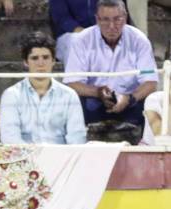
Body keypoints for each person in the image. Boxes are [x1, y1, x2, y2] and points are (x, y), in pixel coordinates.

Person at [64, 0, 158, 129]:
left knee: (147, 103)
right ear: (97, 19)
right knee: (81, 103)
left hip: (130, 99)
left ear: (125, 17)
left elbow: (150, 82)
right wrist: (97, 92)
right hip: (95, 99)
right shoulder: (82, 40)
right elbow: (73, 82)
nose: (112, 26)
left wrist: (129, 98)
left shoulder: (139, 39)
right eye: (105, 20)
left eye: (117, 19)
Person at [0, 31, 86, 144]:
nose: (41, 63)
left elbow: (77, 138)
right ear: (26, 62)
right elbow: (9, 138)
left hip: (61, 158)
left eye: (45, 57)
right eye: (35, 58)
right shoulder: (12, 95)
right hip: (25, 159)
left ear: (53, 60)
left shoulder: (69, 95)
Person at [49, 0, 131, 64]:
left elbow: (116, 11)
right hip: (70, 35)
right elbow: (62, 18)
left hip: (101, 32)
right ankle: (76, 83)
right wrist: (86, 33)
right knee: (76, 41)